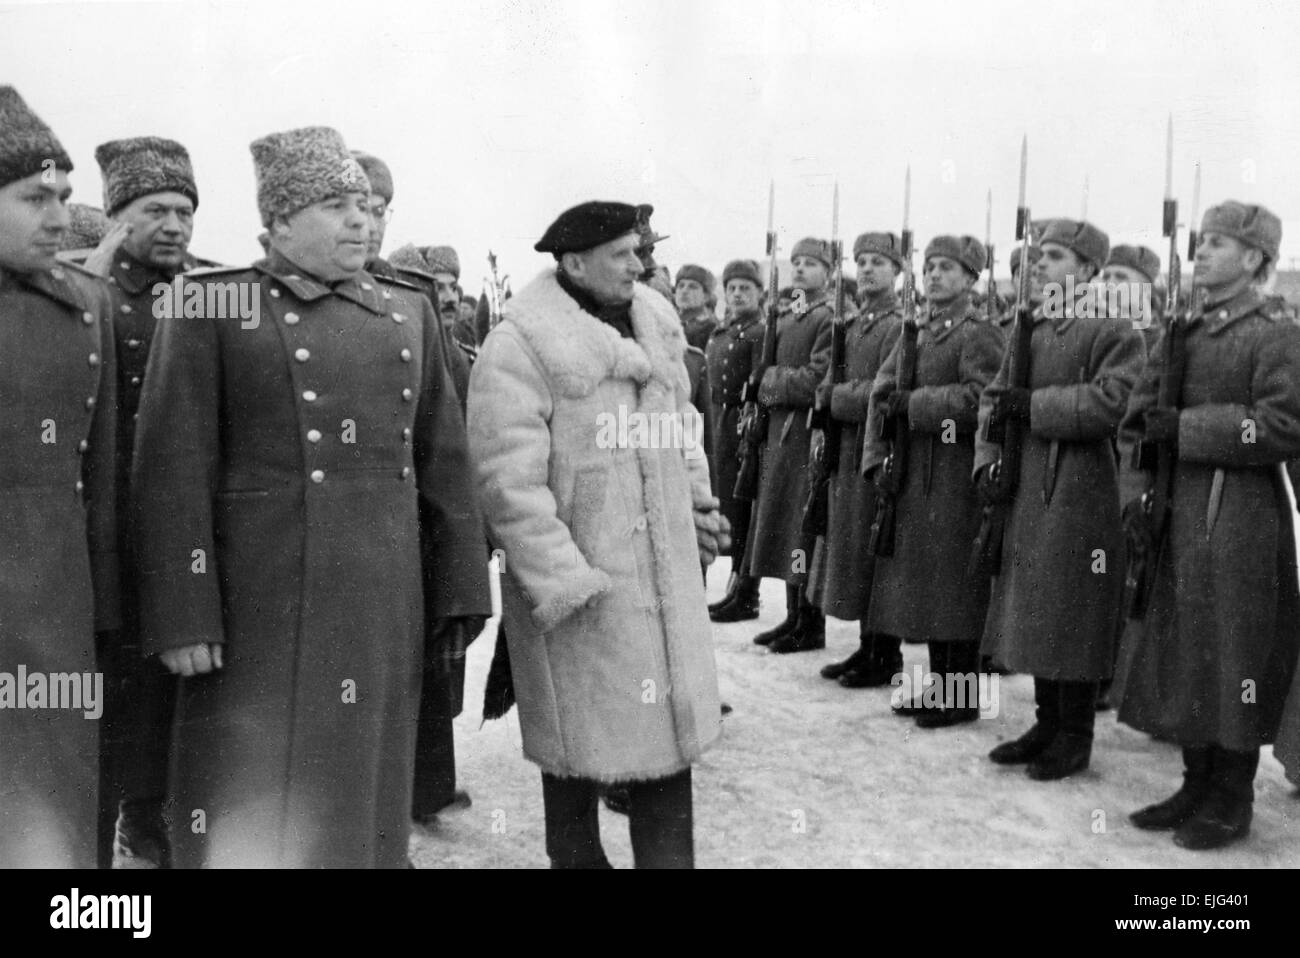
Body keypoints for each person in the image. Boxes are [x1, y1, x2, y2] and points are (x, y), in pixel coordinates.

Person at [130, 125, 490, 867]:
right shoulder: (211, 304)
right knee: (249, 789)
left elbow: (444, 465)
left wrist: (459, 590)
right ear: (280, 222)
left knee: (363, 792)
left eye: (364, 204)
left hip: (382, 602)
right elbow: (171, 471)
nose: (361, 220)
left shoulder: (408, 311)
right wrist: (181, 612)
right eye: (335, 205)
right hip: (258, 604)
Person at [467, 200, 727, 868]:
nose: (639, 265)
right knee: (575, 763)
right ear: (574, 262)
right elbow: (506, 482)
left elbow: (682, 428)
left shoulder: (657, 324)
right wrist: (564, 579)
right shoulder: (521, 345)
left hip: (664, 583)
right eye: (623, 255)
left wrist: (697, 509)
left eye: (639, 252)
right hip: (585, 595)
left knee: (668, 758)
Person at [1116, 200, 1300, 850]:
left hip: (1240, 516)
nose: (1202, 250)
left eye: (1218, 242)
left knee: (1235, 651)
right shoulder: (1183, 329)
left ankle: (1232, 797)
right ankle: (1195, 781)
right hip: (1175, 508)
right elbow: (1138, 419)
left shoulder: (1275, 333)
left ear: (1254, 259)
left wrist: (1191, 428)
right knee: (1185, 644)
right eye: (1203, 240)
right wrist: (1136, 494)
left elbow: (1282, 426)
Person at [975, 219, 1144, 778]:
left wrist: (1035, 406)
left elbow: (1114, 402)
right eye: (1039, 255)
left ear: (1089, 270)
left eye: (1055, 256)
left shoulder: (1115, 327)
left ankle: (1075, 734)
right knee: (1038, 605)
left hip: (1082, 486)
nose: (1041, 264)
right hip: (1027, 483)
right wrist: (987, 453)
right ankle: (1047, 721)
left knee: (1074, 607)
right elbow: (996, 395)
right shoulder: (1031, 325)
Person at [0, 85, 120, 868]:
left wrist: (104, 605)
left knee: (49, 789)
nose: (57, 216)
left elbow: (103, 475)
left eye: (64, 197)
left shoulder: (87, 306)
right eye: (32, 197)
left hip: (53, 598)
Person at [87, 135, 214, 868]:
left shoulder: (212, 288)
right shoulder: (88, 292)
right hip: (107, 524)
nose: (174, 225)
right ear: (118, 218)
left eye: (184, 211)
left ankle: (149, 816)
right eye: (154, 210)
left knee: (176, 684)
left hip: (184, 522)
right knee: (109, 684)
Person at [862, 235, 1004, 727]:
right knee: (929, 583)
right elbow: (883, 388)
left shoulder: (978, 332)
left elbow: (979, 400)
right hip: (915, 471)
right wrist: (885, 428)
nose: (935, 276)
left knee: (956, 587)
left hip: (953, 470)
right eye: (929, 268)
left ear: (970, 278)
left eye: (947, 268)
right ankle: (942, 684)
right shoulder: (915, 329)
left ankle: (962, 695)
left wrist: (917, 407)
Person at [816, 232, 905, 687]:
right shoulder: (850, 325)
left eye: (878, 262)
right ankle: (867, 646)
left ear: (898, 271)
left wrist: (837, 399)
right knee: (852, 547)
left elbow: (877, 392)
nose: (868, 269)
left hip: (874, 447)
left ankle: (885, 652)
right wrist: (831, 398)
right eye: (862, 262)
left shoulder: (898, 324)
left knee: (876, 547)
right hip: (847, 447)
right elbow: (826, 384)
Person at [745, 238, 834, 653]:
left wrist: (769, 380)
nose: (799, 270)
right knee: (782, 526)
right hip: (780, 433)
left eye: (810, 264)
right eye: (796, 262)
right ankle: (792, 615)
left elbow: (818, 378)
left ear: (828, 273)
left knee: (800, 529)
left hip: (803, 434)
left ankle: (809, 622)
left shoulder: (825, 318)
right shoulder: (786, 314)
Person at [706, 259, 768, 623]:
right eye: (732, 288)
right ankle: (735, 585)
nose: (738, 294)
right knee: (728, 503)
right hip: (720, 425)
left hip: (745, 424)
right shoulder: (721, 332)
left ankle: (747, 591)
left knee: (745, 507)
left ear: (759, 293)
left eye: (746, 287)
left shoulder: (760, 331)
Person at [674, 264, 718, 350]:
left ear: (706, 296)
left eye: (692, 287)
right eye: (681, 286)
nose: (684, 291)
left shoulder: (710, 328)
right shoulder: (669, 320)